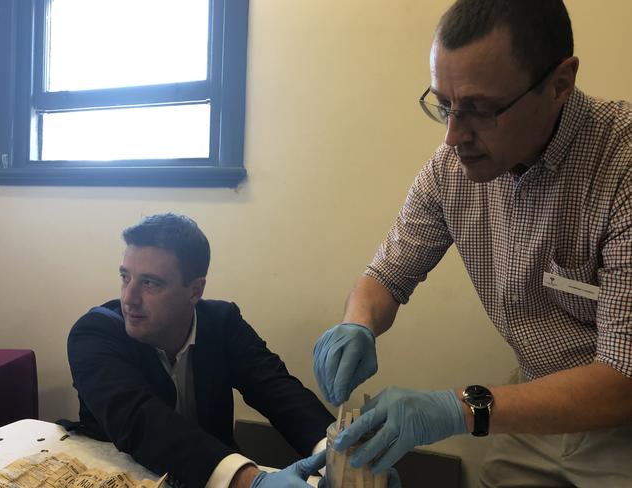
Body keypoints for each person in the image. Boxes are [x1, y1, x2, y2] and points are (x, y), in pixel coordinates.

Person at [312, 1, 632, 487]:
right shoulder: (451, 171)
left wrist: (456, 408)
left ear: (560, 84)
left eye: (480, 110)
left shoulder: (620, 165)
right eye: (444, 104)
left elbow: (621, 379)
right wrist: (357, 325)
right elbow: (385, 275)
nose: (454, 135)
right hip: (537, 403)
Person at [67, 213, 335, 488]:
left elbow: (277, 389)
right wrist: (249, 481)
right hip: (118, 476)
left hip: (209, 474)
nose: (129, 298)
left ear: (195, 290)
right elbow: (140, 422)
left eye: (150, 283)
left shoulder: (223, 322)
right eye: (126, 277)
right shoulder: (94, 335)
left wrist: (335, 454)